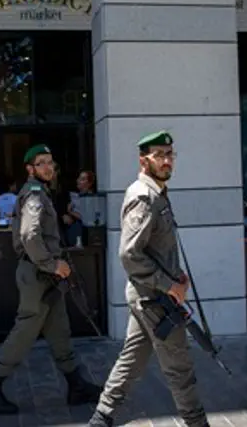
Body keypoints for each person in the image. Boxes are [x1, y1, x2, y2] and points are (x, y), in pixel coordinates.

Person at [88, 131, 210, 427]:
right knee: (179, 367)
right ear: (144, 161)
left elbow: (155, 248)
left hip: (152, 295)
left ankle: (101, 419)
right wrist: (169, 285)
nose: (167, 161)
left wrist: (177, 276)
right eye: (160, 155)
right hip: (156, 300)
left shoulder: (157, 193)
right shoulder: (144, 197)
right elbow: (130, 254)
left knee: (132, 360)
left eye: (170, 154)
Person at [0, 144, 102, 415]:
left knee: (59, 329)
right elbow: (29, 235)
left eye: (50, 162)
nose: (48, 167)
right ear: (30, 169)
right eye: (41, 162)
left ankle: (76, 385)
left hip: (46, 275)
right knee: (25, 331)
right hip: (38, 273)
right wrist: (52, 264)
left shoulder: (41, 192)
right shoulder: (34, 193)